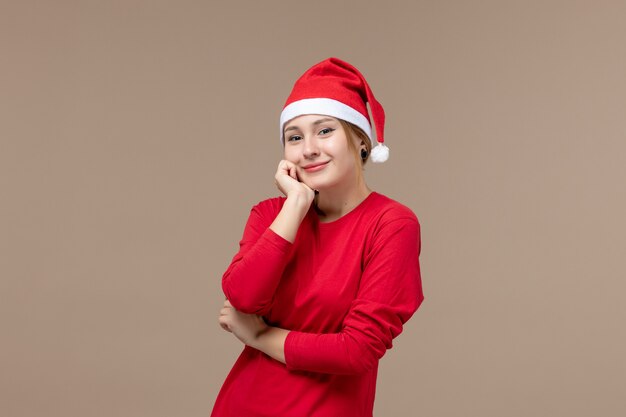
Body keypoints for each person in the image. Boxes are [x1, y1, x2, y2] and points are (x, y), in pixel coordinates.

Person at [211, 57, 424, 417]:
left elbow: (355, 351)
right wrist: (295, 204)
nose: (308, 148)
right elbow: (243, 298)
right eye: (294, 137)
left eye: (324, 131)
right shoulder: (270, 215)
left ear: (360, 141)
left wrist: (260, 337)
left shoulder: (392, 224)